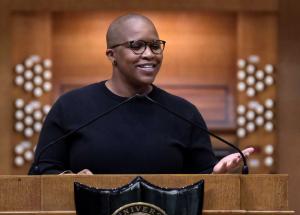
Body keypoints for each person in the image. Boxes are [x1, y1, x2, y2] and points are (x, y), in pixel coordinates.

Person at [29, 13, 254, 175]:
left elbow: (202, 176)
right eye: (136, 45)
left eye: (155, 46)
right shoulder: (70, 106)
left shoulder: (184, 112)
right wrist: (68, 182)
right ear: (111, 54)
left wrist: (216, 176)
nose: (149, 54)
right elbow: (41, 172)